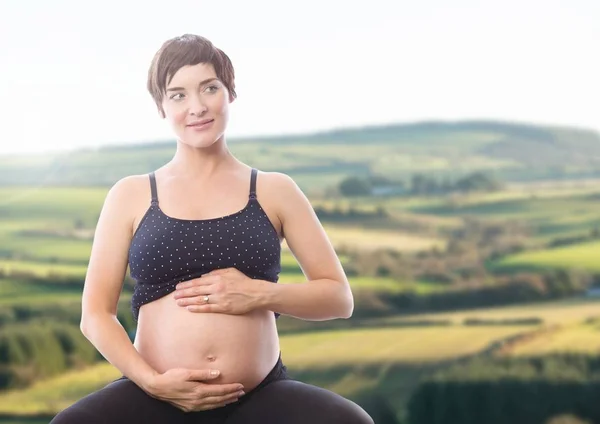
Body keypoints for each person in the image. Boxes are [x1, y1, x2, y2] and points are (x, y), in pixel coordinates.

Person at [50, 34, 374, 424]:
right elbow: (95, 316)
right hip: (155, 395)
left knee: (349, 421)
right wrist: (152, 382)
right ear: (161, 107)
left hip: (259, 395)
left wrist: (258, 294)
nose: (198, 107)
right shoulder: (131, 194)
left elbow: (339, 298)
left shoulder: (275, 190)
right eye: (178, 95)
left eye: (209, 88)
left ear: (230, 94)